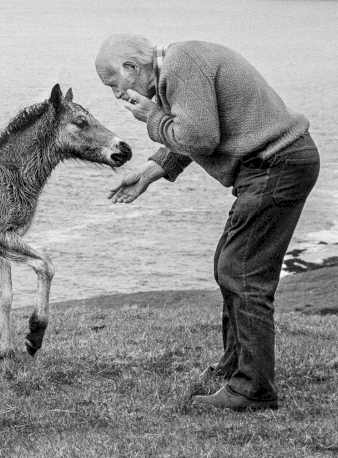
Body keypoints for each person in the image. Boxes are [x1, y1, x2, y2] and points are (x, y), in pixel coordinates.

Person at [95, 33, 319, 411]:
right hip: (275, 164)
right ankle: (236, 368)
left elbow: (199, 137)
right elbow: (190, 131)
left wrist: (152, 117)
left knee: (242, 271)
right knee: (228, 266)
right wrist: (151, 172)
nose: (115, 95)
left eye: (113, 84)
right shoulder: (175, 69)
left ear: (132, 68)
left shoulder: (183, 66)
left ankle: (253, 389)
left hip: (275, 165)